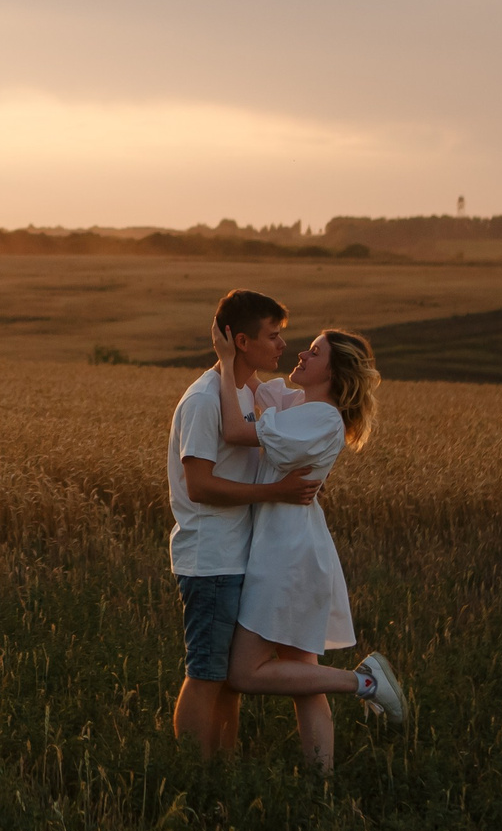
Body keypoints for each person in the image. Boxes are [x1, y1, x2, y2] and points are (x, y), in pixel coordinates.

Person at [209, 323, 409, 770]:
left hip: (286, 556)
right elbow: (257, 388)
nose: (301, 354)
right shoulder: (299, 406)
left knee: (242, 673)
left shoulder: (321, 418)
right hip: (289, 546)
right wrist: (236, 348)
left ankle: (364, 683)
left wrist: (225, 362)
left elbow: (235, 431)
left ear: (333, 373)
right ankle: (321, 788)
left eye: (315, 352)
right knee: (305, 678)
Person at [167, 289, 324, 756]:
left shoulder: (242, 392)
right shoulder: (204, 400)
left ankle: (222, 772)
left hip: (237, 557)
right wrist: (275, 493)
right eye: (272, 336)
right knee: (205, 676)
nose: (282, 345)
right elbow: (200, 486)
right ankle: (193, 777)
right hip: (210, 558)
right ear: (241, 341)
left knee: (229, 682)